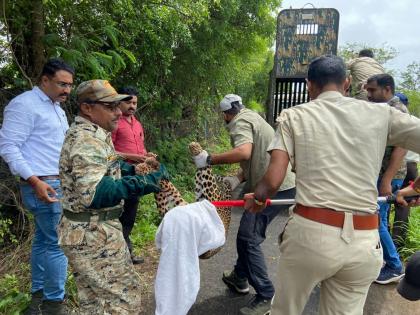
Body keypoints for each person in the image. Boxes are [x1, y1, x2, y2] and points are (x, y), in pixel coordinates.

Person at [245, 55, 420, 315]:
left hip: (311, 236)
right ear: (347, 83)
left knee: (285, 310)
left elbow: (273, 180)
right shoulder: (382, 113)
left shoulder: (294, 116)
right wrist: (416, 187)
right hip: (364, 241)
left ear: (309, 85)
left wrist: (257, 198)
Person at [57, 80, 169, 314]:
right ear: (87, 108)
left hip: (89, 230)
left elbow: (104, 169)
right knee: (123, 300)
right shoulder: (86, 139)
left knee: (95, 303)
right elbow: (94, 193)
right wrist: (145, 182)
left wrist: (132, 170)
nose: (118, 112)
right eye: (110, 107)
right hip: (93, 234)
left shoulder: (96, 134)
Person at [193, 94, 296, 315]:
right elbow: (256, 157)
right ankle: (239, 277)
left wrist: (209, 159)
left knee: (248, 238)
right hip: (281, 183)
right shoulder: (253, 117)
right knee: (248, 235)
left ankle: (266, 295)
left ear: (226, 114)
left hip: (273, 187)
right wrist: (238, 179)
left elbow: (244, 152)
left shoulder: (238, 121)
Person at [0, 59, 74, 315]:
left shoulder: (57, 108)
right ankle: (54, 305)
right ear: (44, 80)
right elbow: (9, 147)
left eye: (70, 85)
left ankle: (38, 299)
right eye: (61, 84)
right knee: (58, 244)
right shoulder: (24, 105)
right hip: (44, 184)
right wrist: (35, 181)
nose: (66, 90)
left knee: (43, 241)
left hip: (55, 181)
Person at [365, 74, 407, 284]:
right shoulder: (385, 109)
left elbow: (401, 147)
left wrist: (386, 179)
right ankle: (384, 260)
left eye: (373, 91)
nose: (369, 95)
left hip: (388, 177)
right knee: (377, 219)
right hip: (382, 174)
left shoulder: (397, 111)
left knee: (377, 220)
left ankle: (394, 265)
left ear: (387, 89)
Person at [111, 86, 147, 264]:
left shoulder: (138, 124)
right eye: (128, 102)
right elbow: (109, 152)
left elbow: (142, 147)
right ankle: (121, 253)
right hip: (120, 173)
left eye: (135, 103)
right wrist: (136, 157)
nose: (132, 106)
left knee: (130, 214)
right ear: (119, 102)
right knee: (118, 213)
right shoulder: (114, 122)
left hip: (137, 174)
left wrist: (147, 158)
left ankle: (126, 250)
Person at [392, 92, 419, 249]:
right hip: (412, 167)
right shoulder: (413, 121)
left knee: (401, 202)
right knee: (404, 202)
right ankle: (398, 239)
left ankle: (396, 241)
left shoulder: (400, 122)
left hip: (404, 166)